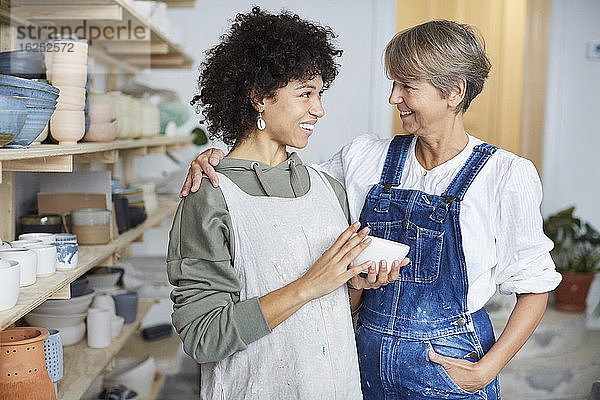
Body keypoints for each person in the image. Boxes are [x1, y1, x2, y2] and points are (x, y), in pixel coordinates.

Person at [180, 19, 562, 399]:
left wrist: (486, 371)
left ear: (454, 92)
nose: (393, 98)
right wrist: (218, 161)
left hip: (448, 370)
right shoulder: (363, 158)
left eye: (407, 86)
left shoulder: (507, 175)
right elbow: (283, 188)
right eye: (393, 84)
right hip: (362, 366)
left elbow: (535, 286)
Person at [167, 7, 408, 400]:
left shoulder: (329, 187)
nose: (319, 109)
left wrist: (354, 288)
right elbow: (202, 336)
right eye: (305, 94)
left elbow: (331, 313)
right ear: (260, 97)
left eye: (319, 94)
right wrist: (307, 286)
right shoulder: (211, 195)